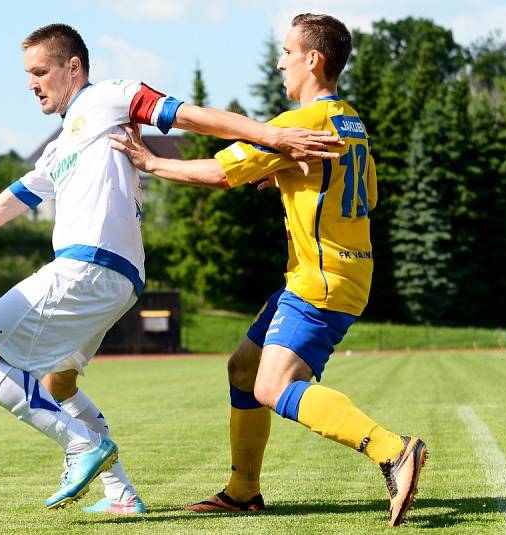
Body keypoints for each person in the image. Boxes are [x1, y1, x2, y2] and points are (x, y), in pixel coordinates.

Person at [0, 23, 341, 514]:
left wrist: (271, 135)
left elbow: (194, 117)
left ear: (72, 66)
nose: (32, 83)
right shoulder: (58, 149)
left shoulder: (112, 97)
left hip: (85, 267)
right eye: (27, 74)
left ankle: (81, 445)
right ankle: (120, 494)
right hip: (114, 279)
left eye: (40, 71)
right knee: (60, 382)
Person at [110, 13, 427, 527]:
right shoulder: (351, 122)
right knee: (242, 367)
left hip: (318, 282)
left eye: (286, 51)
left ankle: (393, 451)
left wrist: (150, 163)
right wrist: (289, 180)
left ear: (312, 59)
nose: (280, 62)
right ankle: (243, 491)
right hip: (335, 273)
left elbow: (217, 173)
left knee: (271, 388)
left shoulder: (295, 124)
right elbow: (367, 194)